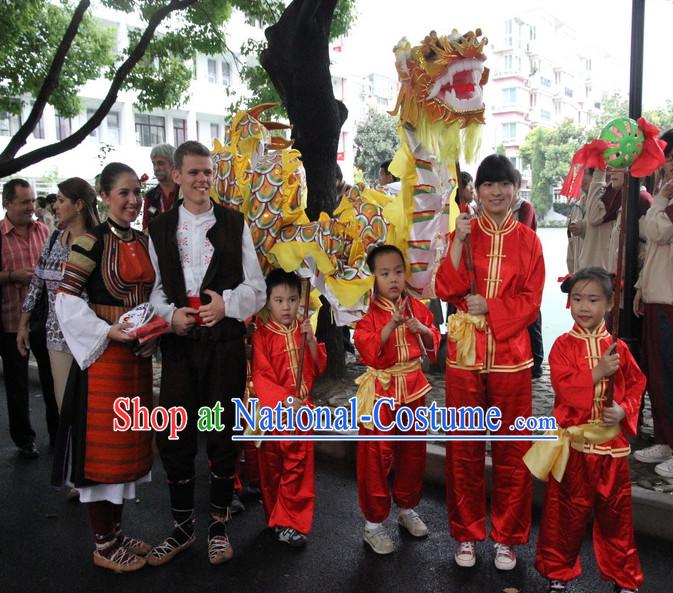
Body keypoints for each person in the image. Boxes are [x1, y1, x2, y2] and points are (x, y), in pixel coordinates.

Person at [147, 140, 266, 566]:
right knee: (174, 432)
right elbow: (154, 291)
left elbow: (257, 288)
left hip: (224, 347)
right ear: (176, 176)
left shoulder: (235, 223)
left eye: (208, 173)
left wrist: (226, 305)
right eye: (193, 172)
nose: (202, 180)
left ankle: (217, 525)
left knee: (221, 434)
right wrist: (168, 315)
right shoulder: (159, 230)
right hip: (179, 346)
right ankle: (181, 528)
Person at [435, 154, 545, 570]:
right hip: (465, 357)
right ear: (476, 192)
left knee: (512, 449)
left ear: (516, 191)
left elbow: (531, 302)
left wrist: (492, 307)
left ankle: (508, 537)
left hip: (511, 358)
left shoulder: (529, 241)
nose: (497, 192)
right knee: (463, 447)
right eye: (488, 185)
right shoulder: (461, 231)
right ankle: (466, 534)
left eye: (505, 185)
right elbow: (447, 287)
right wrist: (459, 242)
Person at [53, 163, 157, 572]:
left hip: (136, 358)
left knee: (129, 449)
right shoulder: (89, 242)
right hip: (103, 362)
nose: (133, 201)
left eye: (137, 193)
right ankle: (102, 543)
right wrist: (106, 332)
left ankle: (115, 533)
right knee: (103, 452)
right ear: (104, 196)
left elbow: (151, 296)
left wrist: (150, 332)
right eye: (124, 193)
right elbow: (65, 297)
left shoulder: (144, 240)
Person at [535, 267, 645, 593]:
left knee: (617, 517)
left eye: (593, 299)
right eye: (577, 299)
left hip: (611, 451)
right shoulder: (562, 346)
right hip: (575, 450)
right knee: (565, 514)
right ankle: (558, 570)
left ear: (609, 304)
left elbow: (637, 385)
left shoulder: (618, 348)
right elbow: (564, 389)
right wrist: (597, 372)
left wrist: (623, 409)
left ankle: (624, 577)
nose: (584, 306)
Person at [353, 245, 440, 555]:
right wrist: (390, 326)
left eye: (398, 272)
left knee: (413, 452)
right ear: (373, 278)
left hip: (414, 388)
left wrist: (424, 331)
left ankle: (406, 509)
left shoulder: (417, 307)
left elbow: (435, 336)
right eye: (385, 273)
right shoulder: (366, 312)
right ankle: (373, 524)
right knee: (376, 455)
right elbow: (365, 346)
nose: (393, 279)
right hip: (381, 392)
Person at [251, 269, 326, 547]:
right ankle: (275, 517)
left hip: (301, 411)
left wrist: (310, 340)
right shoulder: (262, 335)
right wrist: (283, 399)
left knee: (297, 468)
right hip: (275, 413)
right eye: (279, 300)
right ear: (268, 302)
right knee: (272, 470)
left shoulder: (303, 329)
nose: (287, 306)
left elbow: (317, 366)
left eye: (293, 300)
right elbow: (262, 375)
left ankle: (289, 522)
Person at [17, 178, 100, 411]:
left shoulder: (99, 241)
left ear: (79, 205)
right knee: (66, 406)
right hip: (57, 337)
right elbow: (37, 283)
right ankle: (70, 449)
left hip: (92, 336)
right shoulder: (54, 239)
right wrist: (23, 325)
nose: (55, 206)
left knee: (94, 408)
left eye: (61, 200)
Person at [0, 178, 55, 458]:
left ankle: (57, 436)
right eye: (24, 201)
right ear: (7, 203)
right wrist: (12, 277)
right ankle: (24, 439)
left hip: (43, 319)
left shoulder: (43, 230)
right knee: (17, 383)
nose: (31, 206)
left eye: (32, 200)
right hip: (10, 320)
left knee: (51, 378)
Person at [632, 128, 673, 477]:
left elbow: (658, 231)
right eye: (666, 158)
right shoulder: (665, 196)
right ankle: (664, 438)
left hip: (671, 300)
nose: (669, 165)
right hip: (658, 294)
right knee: (658, 374)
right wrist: (641, 287)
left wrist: (659, 202)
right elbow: (651, 238)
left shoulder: (664, 199)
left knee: (670, 374)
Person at [512, 169, 543, 378]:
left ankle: (536, 362)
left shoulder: (525, 207)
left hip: (526, 268)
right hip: (510, 271)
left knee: (531, 316)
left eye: (507, 185)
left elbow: (522, 234)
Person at [578, 170, 621, 270]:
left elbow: (594, 217)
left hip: (602, 267)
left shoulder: (614, 191)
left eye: (589, 174)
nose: (583, 178)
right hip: (591, 265)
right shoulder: (606, 190)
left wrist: (599, 175)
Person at [142, 143, 178, 230]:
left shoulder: (185, 192)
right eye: (154, 164)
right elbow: (146, 228)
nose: (156, 168)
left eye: (160, 163)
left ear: (173, 164)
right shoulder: (150, 197)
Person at [566, 169, 592, 274]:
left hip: (594, 276)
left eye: (589, 174)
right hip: (577, 274)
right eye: (582, 173)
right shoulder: (576, 208)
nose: (584, 178)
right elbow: (571, 246)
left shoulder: (602, 207)